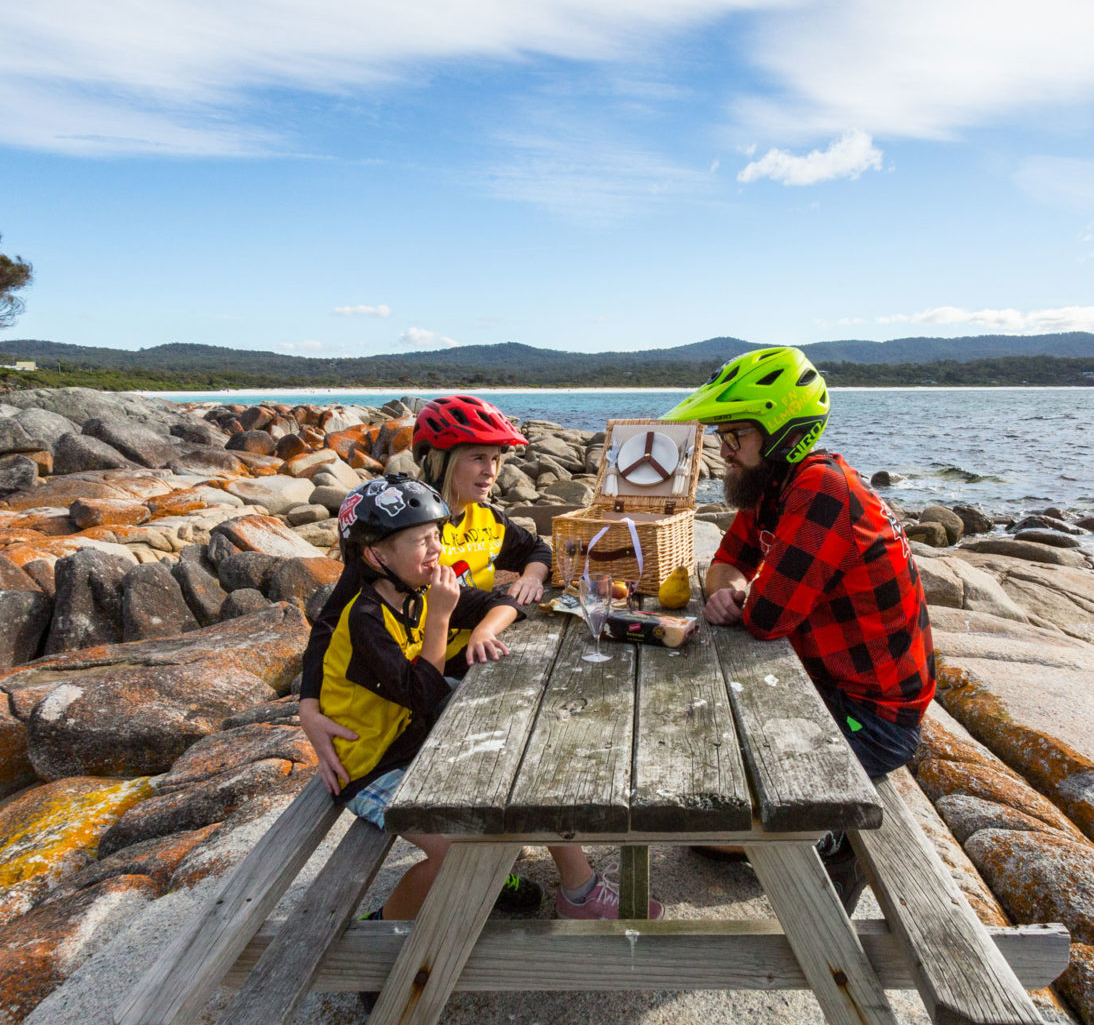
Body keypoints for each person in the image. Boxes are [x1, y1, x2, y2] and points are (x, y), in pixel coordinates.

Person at [301, 396, 656, 918]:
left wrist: (519, 590)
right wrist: (309, 707)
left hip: (433, 693)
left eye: (497, 460)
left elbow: (527, 561)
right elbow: (332, 631)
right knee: (513, 761)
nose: (490, 471)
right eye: (477, 458)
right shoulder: (386, 580)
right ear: (442, 461)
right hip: (401, 718)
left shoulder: (449, 550)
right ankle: (409, 918)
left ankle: (545, 881)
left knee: (531, 741)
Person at [660, 346, 935, 908]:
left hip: (873, 717)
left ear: (782, 432)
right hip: (831, 684)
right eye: (722, 437)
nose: (724, 452)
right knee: (702, 822)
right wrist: (728, 589)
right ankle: (799, 822)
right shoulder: (774, 488)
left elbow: (765, 619)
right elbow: (724, 565)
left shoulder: (821, 489)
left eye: (734, 436)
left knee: (712, 821)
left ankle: (832, 833)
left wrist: (739, 597)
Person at [316, 475, 519, 920]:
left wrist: (483, 627)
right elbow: (420, 695)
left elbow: (508, 604)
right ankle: (385, 926)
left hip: (410, 740)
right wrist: (442, 619)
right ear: (376, 555)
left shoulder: (420, 591)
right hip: (369, 766)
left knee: (503, 769)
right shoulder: (367, 618)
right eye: (421, 541)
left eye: (436, 537)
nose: (436, 550)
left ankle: (488, 878)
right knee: (451, 854)